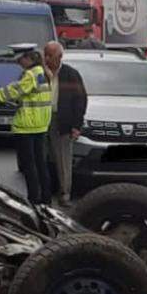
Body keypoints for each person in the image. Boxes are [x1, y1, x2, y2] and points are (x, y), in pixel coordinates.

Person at [0, 48, 53, 205]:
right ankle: (46, 199)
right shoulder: (43, 72)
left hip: (27, 125)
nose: (18, 63)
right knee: (41, 164)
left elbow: (18, 90)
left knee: (29, 165)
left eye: (20, 60)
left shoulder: (30, 74)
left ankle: (33, 199)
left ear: (28, 59)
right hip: (41, 124)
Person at [44, 41, 87, 206]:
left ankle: (64, 194)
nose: (47, 59)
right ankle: (44, 193)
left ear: (60, 57)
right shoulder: (39, 73)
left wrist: (77, 125)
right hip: (40, 119)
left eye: (50, 55)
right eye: (45, 54)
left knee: (63, 159)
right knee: (42, 158)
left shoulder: (70, 74)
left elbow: (80, 100)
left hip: (62, 120)